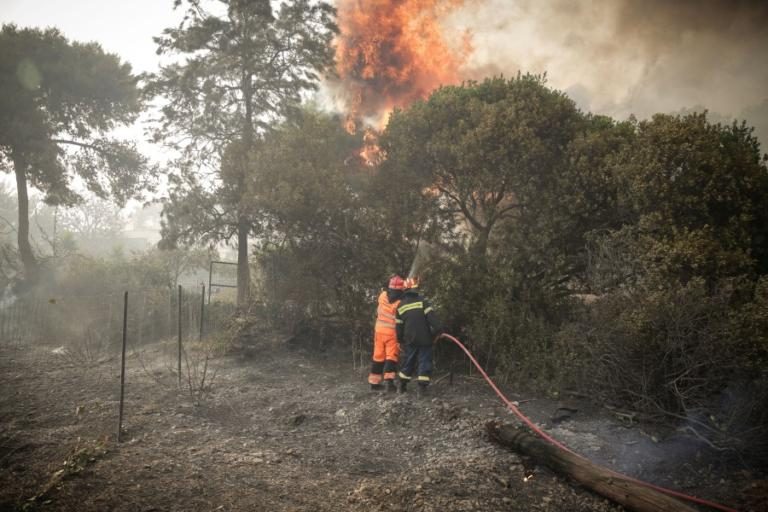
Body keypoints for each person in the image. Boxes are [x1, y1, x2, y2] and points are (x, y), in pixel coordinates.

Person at [395, 276, 443, 395]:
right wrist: (439, 331)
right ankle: (422, 389)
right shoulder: (423, 302)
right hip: (425, 338)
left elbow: (399, 327)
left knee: (409, 361)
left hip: (409, 339)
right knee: (424, 361)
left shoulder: (400, 306)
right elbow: (432, 319)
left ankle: (401, 386)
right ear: (414, 289)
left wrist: (400, 340)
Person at [368, 275, 405, 391]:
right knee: (391, 357)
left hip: (379, 331)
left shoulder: (382, 296)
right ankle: (389, 383)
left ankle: (374, 383)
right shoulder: (400, 303)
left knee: (378, 356)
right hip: (391, 333)